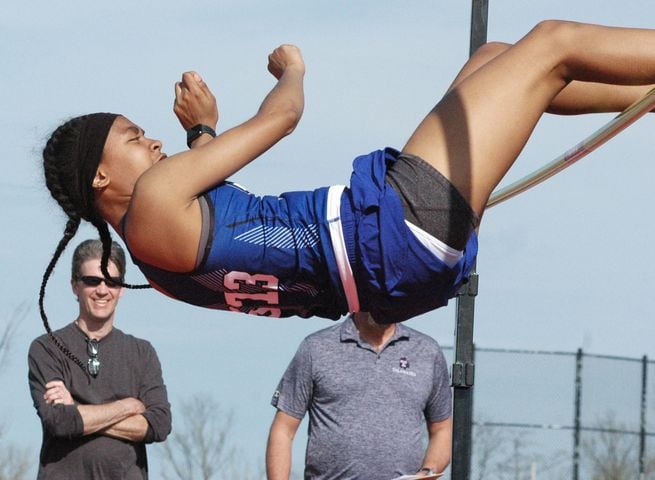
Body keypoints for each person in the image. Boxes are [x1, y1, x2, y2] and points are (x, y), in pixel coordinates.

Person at [40, 20, 655, 328]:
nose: (149, 138)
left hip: (397, 278)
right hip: (388, 231)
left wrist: (202, 133)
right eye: (131, 137)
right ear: (99, 177)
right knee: (551, 42)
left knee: (496, 61)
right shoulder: (155, 199)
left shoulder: (157, 260)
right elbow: (283, 118)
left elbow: (240, 228)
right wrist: (291, 71)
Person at [28, 239, 172, 479]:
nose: (102, 290)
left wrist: (77, 411)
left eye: (112, 281)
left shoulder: (142, 353)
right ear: (74, 285)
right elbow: (60, 421)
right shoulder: (47, 348)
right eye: (92, 281)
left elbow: (159, 425)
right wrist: (129, 406)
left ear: (122, 288)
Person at [265, 312, 452, 480]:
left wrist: (428, 472)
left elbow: (442, 430)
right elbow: (283, 430)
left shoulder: (428, 352)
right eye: (374, 287)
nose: (382, 297)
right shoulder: (316, 348)